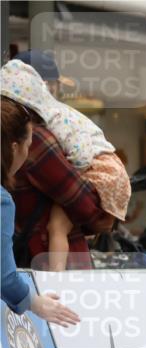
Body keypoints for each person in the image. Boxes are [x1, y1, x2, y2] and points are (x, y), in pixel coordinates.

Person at [2, 60, 130, 271]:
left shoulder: (11, 135)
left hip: (19, 262)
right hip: (45, 260)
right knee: (58, 228)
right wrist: (105, 214)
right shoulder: (36, 139)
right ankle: (57, 279)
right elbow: (86, 205)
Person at [1, 98, 79, 326]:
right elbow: (4, 276)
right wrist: (38, 304)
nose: (27, 155)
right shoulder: (2, 202)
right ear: (14, 148)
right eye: (28, 145)